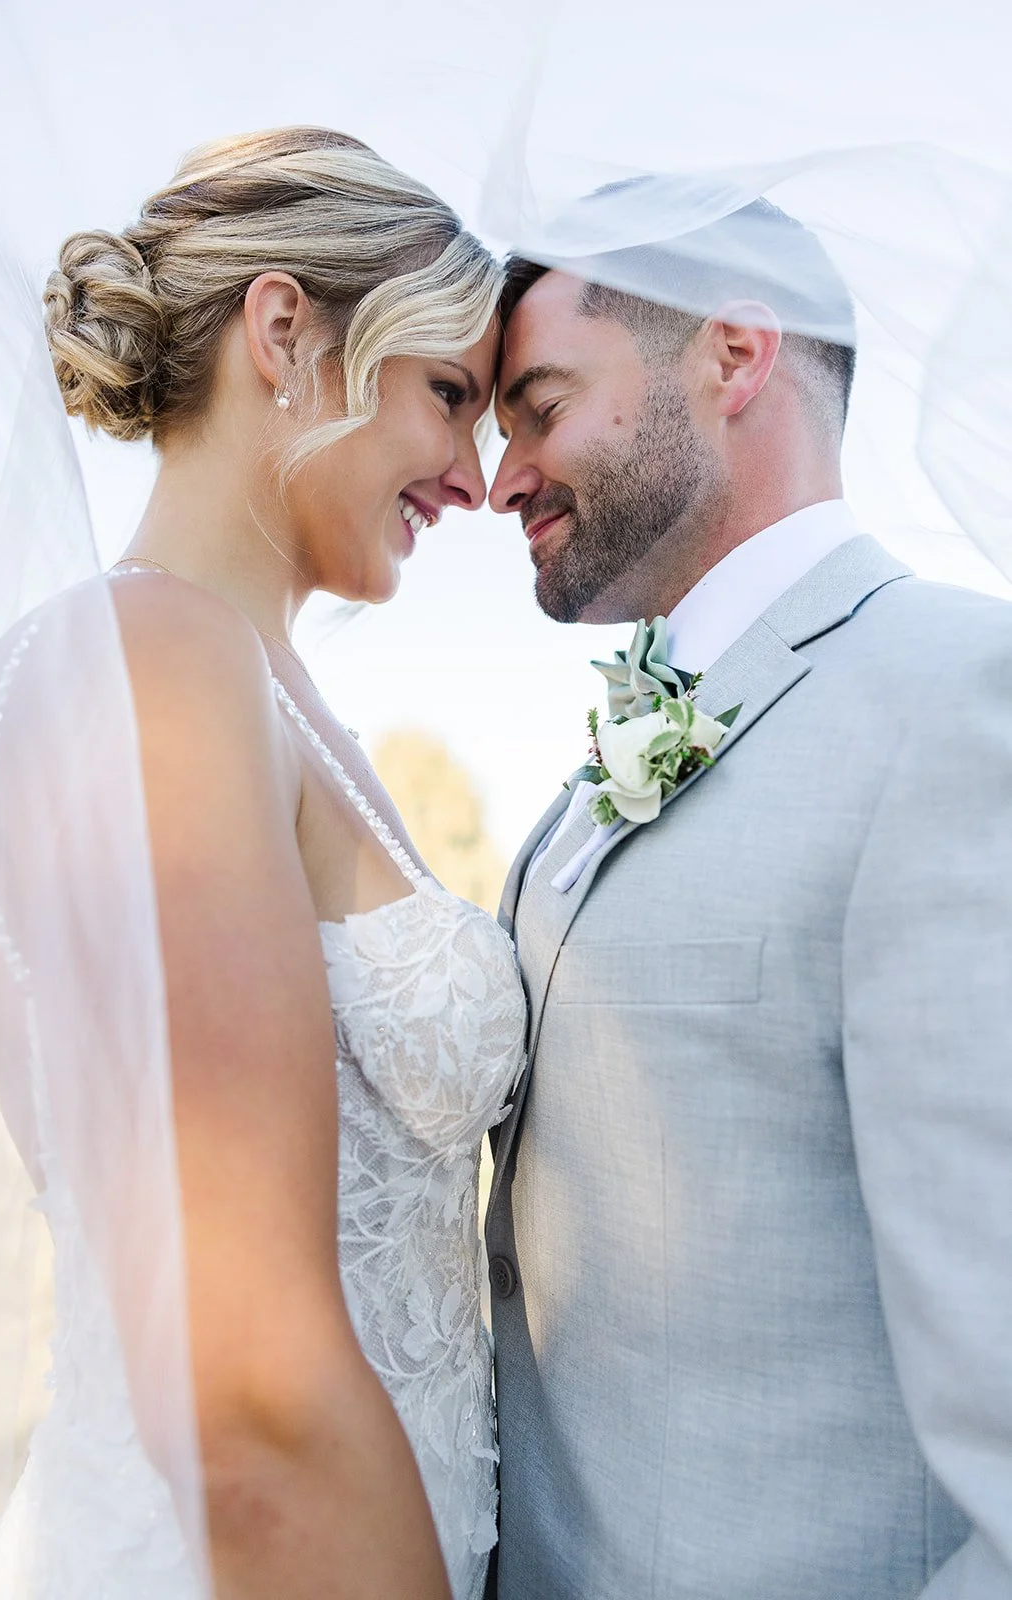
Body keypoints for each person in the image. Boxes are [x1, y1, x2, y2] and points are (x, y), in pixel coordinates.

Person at [0, 126, 525, 1600]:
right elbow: (248, 1393)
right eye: (447, 395)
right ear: (286, 333)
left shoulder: (259, 691)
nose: (473, 475)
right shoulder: (150, 666)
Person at [485, 198, 1012, 1599]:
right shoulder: (587, 779)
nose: (500, 476)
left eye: (537, 407)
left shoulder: (959, 700)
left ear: (730, 357)